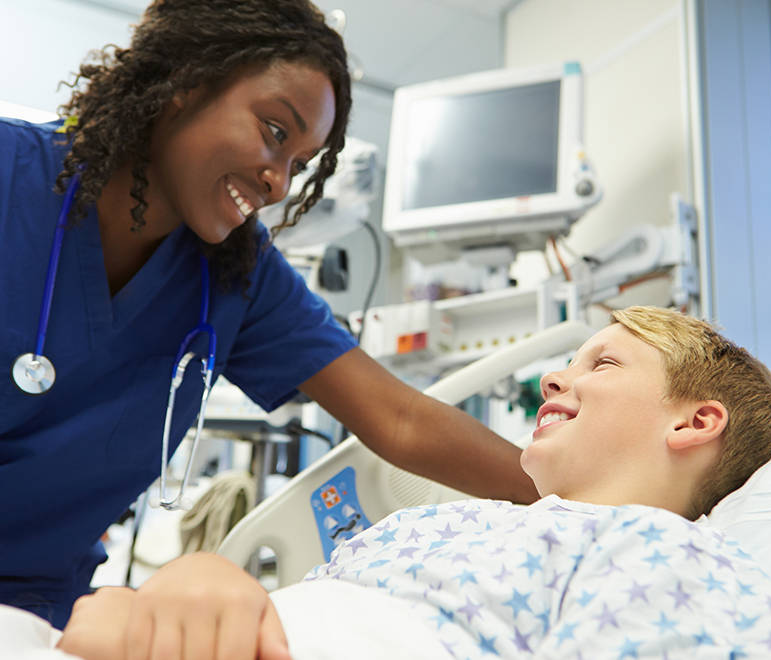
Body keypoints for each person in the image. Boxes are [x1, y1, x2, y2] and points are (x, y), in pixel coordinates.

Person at [0, 0, 537, 630]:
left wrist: (604, 500)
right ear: (184, 83)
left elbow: (400, 418)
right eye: (276, 133)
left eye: (299, 165)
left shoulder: (236, 274)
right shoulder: (12, 176)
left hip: (34, 613)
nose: (279, 183)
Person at [53, 306, 771, 660]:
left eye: (602, 364)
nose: (551, 376)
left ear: (696, 423)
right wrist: (200, 581)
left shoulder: (670, 556)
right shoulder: (443, 526)